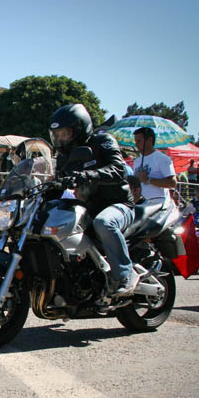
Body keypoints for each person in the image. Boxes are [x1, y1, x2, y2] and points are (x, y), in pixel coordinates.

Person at [48, 104, 136, 297]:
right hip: (87, 206)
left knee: (104, 223)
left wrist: (87, 175)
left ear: (80, 129)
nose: (60, 139)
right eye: (57, 134)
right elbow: (60, 183)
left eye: (65, 133)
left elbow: (119, 170)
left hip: (117, 205)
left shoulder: (102, 141)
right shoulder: (64, 156)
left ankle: (125, 274)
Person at [133, 127, 177, 202]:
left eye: (139, 141)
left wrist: (148, 180)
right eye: (135, 141)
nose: (136, 144)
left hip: (158, 208)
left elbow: (172, 183)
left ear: (150, 140)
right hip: (141, 205)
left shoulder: (163, 159)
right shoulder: (137, 161)